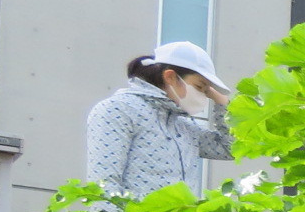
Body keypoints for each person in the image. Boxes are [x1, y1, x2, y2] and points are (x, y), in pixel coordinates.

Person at [85, 41, 234, 196]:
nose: (203, 95)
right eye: (198, 87)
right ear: (170, 77)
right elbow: (103, 186)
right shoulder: (119, 110)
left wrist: (222, 101)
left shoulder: (183, 126)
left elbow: (230, 148)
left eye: (205, 91)